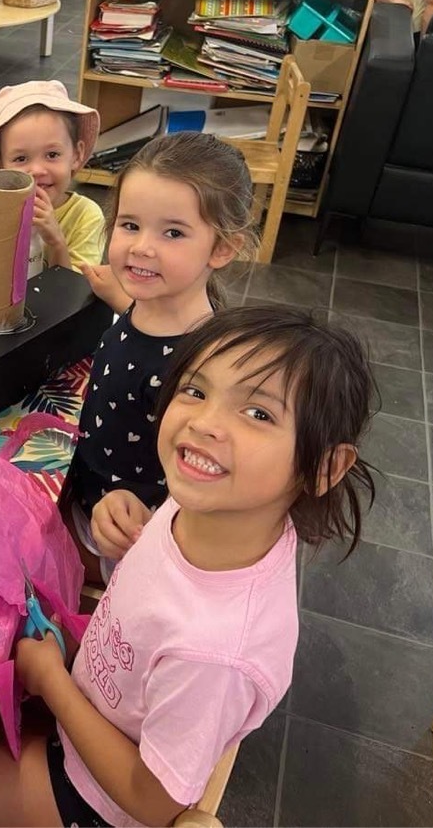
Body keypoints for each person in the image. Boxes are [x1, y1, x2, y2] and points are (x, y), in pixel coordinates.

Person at [0, 304, 377, 828]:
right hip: (88, 702)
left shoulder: (217, 653)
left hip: (92, 797)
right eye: (196, 390)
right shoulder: (210, 507)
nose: (204, 423)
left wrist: (52, 682)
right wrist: (127, 513)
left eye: (258, 414)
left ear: (325, 467)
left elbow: (154, 801)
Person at [66, 133, 256, 583]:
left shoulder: (199, 368)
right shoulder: (147, 303)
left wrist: (147, 520)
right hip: (84, 490)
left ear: (222, 248)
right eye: (130, 225)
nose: (142, 247)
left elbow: (208, 481)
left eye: (172, 233)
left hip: (123, 537)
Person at [0, 81, 105, 291]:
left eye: (52, 155)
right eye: (21, 158)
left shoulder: (85, 216)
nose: (37, 170)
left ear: (76, 155)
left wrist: (56, 243)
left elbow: (73, 296)